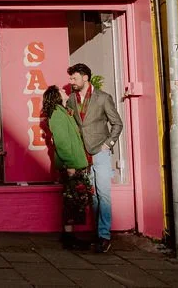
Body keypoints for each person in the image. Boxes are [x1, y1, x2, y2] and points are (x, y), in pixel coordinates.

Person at [66, 62, 123, 253]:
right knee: (94, 196)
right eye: (70, 78)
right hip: (83, 153)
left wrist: (108, 144)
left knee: (103, 193)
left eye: (74, 78)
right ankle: (98, 233)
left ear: (85, 78)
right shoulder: (71, 99)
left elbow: (117, 123)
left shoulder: (103, 98)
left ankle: (105, 236)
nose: (71, 81)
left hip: (101, 151)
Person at [42, 85, 93, 250]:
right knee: (71, 201)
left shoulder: (63, 112)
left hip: (75, 164)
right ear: (56, 95)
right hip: (71, 165)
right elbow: (62, 143)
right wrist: (70, 164)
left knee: (74, 201)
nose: (64, 91)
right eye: (61, 90)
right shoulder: (57, 114)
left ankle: (70, 237)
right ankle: (69, 238)